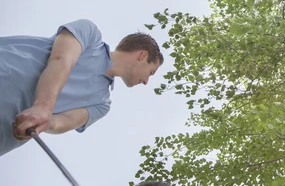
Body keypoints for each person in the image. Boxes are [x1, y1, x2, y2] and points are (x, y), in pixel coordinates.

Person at [0, 19, 163, 157]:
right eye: (151, 72)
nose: (146, 82)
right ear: (143, 56)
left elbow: (66, 121)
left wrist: (44, 123)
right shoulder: (90, 35)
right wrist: (42, 108)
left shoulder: (102, 105)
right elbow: (62, 59)